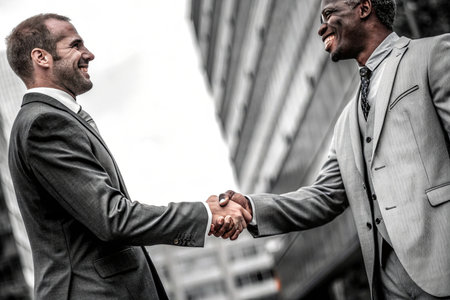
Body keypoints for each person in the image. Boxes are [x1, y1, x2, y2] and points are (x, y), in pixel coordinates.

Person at [213, 0, 450, 299]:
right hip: (389, 284)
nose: (320, 26)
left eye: (329, 14)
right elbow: (324, 197)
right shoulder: (346, 123)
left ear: (364, 8)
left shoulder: (432, 55)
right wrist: (251, 207)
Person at [6, 13, 251, 300]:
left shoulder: (56, 118)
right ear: (41, 57)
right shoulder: (44, 123)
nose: (89, 54)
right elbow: (113, 218)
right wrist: (207, 213)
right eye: (75, 45)